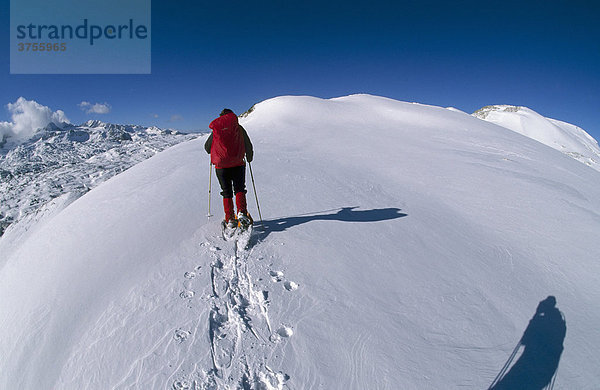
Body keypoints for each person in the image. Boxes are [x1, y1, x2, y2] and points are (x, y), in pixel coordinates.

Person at [205, 108, 254, 228]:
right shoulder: (239, 128)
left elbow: (207, 147)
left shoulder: (217, 129)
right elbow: (248, 144)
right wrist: (249, 157)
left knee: (226, 192)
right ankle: (242, 212)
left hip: (221, 166)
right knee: (239, 189)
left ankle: (230, 218)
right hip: (238, 164)